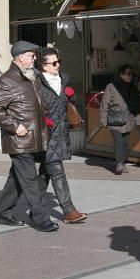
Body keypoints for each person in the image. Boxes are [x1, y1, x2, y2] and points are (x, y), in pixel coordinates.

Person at [0, 41, 58, 232]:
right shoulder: (7, 80)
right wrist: (14, 126)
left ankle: (3, 212)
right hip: (20, 139)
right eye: (31, 56)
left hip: (38, 137)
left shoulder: (32, 77)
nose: (34, 59)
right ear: (19, 57)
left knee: (18, 178)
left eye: (34, 56)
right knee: (30, 179)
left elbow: (39, 106)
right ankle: (41, 218)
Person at [35, 47, 88, 224]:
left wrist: (70, 97)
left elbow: (65, 107)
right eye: (54, 63)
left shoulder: (62, 81)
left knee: (45, 174)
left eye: (59, 62)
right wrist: (44, 121)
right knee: (57, 172)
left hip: (61, 135)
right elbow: (32, 109)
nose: (58, 65)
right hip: (47, 135)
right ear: (43, 66)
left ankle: (34, 207)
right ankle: (69, 210)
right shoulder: (36, 84)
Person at [99, 64, 140, 175]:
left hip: (128, 119)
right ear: (121, 74)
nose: (130, 76)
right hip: (115, 120)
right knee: (119, 141)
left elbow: (138, 105)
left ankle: (122, 163)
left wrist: (138, 119)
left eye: (131, 74)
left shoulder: (133, 87)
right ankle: (119, 164)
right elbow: (104, 104)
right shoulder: (111, 86)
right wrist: (103, 120)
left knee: (125, 143)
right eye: (128, 73)